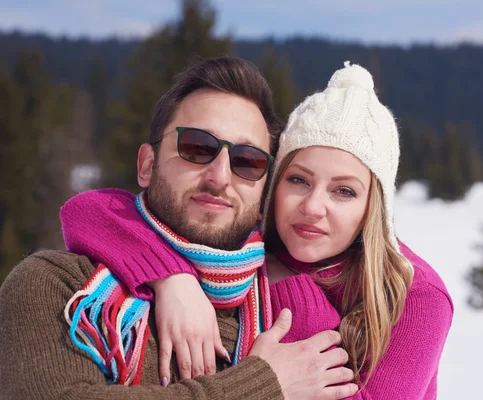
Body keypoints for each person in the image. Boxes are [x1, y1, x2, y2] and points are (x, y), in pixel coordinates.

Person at [61, 62, 454, 399]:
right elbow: (90, 210)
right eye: (299, 180)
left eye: (344, 191)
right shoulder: (245, 241)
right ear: (272, 184)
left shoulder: (412, 294)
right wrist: (170, 277)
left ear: (374, 208)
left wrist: (289, 293)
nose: (313, 207)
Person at [0, 57, 360, 400]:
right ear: (147, 165)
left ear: (265, 189)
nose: (220, 177)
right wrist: (262, 386)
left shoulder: (294, 311)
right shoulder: (62, 287)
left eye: (247, 161)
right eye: (197, 147)